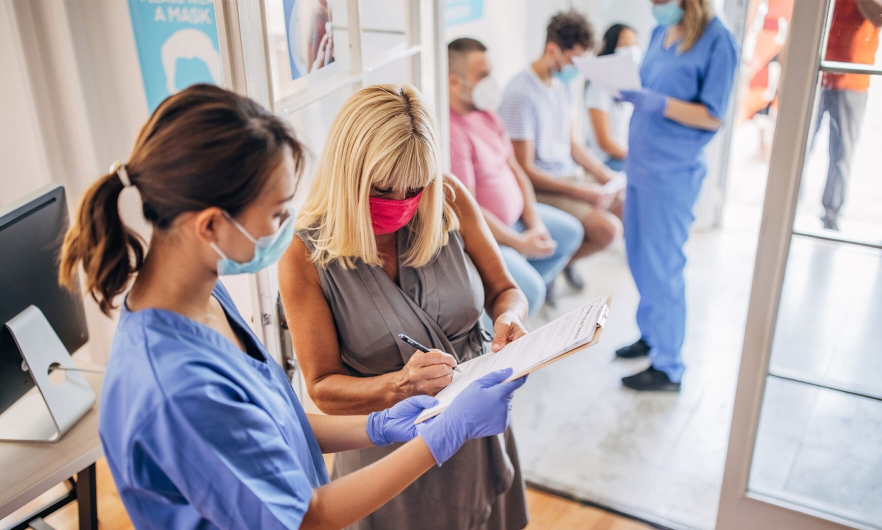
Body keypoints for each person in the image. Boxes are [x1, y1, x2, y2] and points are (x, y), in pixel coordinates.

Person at [58, 84, 526, 530]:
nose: (289, 227)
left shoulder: (205, 300)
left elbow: (272, 425)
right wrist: (442, 433)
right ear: (210, 226)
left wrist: (378, 426)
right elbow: (307, 518)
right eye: (279, 213)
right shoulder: (176, 387)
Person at [279, 84, 531, 530]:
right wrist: (400, 385)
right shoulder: (303, 256)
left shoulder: (447, 200)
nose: (400, 204)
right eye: (382, 189)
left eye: (414, 188)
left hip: (476, 424)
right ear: (347, 174)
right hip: (387, 452)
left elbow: (505, 290)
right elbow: (320, 387)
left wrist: (509, 317)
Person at [613, 0, 738, 392]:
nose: (656, 5)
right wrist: (630, 93)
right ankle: (651, 335)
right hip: (640, 164)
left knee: (663, 266)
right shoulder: (659, 32)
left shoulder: (720, 42)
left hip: (672, 171)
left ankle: (669, 366)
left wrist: (660, 103)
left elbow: (713, 115)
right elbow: (646, 84)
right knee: (638, 257)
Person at [448, 37, 584, 314]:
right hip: (493, 234)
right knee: (531, 292)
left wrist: (535, 224)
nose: (491, 82)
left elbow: (517, 171)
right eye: (482, 75)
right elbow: (469, 210)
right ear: (453, 82)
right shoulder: (452, 132)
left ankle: (511, 305)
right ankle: (513, 305)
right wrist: (518, 241)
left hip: (520, 221)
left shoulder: (487, 114)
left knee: (570, 233)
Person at [498, 10, 621, 295]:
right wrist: (582, 193)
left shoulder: (563, 86)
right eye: (573, 60)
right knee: (608, 231)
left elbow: (572, 144)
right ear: (553, 50)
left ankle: (562, 261)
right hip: (543, 186)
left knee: (624, 201)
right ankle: (555, 262)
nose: (576, 68)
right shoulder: (520, 94)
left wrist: (604, 175)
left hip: (568, 176)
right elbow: (525, 170)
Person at [809, 0, 881, 231]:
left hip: (853, 78)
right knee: (800, 144)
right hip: (816, 73)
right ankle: (784, 205)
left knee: (841, 153)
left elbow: (879, 16)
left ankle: (831, 214)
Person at [584, 24, 639, 172]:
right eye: (624, 44)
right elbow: (605, 143)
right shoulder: (598, 87)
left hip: (622, 156)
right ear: (611, 45)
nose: (631, 49)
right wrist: (635, 158)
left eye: (634, 44)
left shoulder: (628, 87)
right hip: (606, 160)